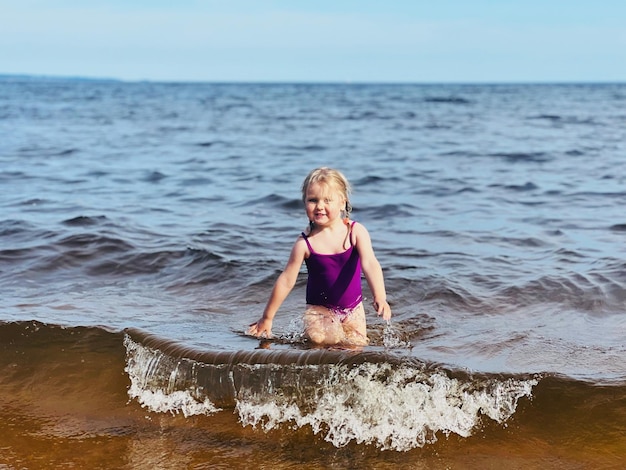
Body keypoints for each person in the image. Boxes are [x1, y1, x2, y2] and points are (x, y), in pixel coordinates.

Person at [248, 167, 391, 346]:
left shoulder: (355, 232)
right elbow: (286, 280)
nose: (320, 206)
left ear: (342, 203)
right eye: (313, 200)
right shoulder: (304, 243)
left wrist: (380, 296)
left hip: (353, 308)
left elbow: (370, 263)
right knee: (322, 340)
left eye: (327, 200)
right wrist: (267, 318)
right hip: (319, 309)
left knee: (356, 347)